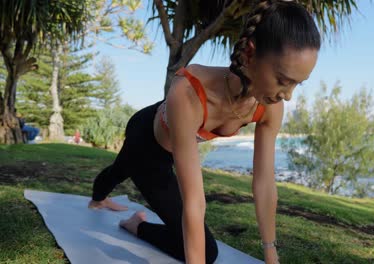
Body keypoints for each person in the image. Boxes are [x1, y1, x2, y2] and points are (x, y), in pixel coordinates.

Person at [88, 1, 321, 263]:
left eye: (297, 85)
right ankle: (118, 213)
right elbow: (195, 202)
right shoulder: (189, 91)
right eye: (283, 80)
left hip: (170, 146)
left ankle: (116, 206)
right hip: (147, 142)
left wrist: (270, 252)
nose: (288, 95)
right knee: (119, 170)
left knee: (121, 168)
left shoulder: (269, 105)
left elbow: (264, 183)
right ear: (250, 53)